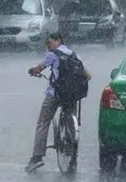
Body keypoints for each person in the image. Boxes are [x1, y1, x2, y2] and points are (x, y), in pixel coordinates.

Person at [25, 33, 91, 173]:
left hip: (55, 94)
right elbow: (88, 75)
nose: (48, 47)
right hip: (71, 95)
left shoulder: (53, 55)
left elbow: (39, 68)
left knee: (43, 122)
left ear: (58, 41)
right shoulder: (74, 55)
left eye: (49, 43)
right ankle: (72, 154)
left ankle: (37, 158)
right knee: (70, 119)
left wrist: (33, 71)